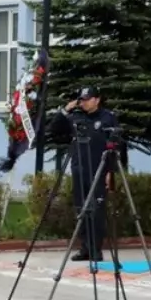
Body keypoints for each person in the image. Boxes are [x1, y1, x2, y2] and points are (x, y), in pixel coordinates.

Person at [46, 86, 122, 261]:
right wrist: (65, 110)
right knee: (82, 210)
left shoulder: (108, 118)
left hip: (99, 171)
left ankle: (96, 250)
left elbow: (115, 146)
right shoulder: (76, 117)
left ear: (97, 100)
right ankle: (85, 248)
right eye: (81, 99)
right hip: (79, 170)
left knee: (97, 211)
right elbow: (53, 129)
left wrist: (111, 172)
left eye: (87, 99)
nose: (83, 102)